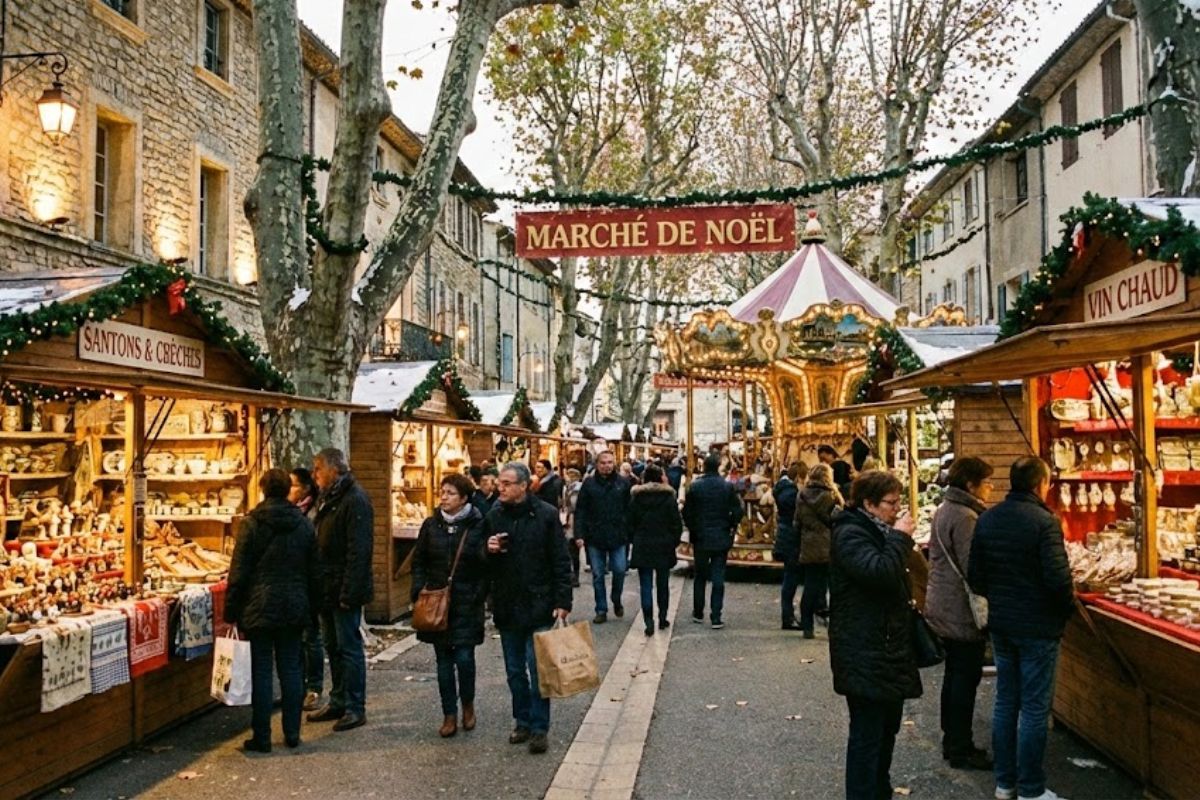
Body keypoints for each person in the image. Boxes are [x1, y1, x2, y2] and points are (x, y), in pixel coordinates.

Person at [968, 457, 1073, 800]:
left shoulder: (988, 519)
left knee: (1005, 701)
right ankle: (1030, 788)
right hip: (1038, 627)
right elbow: (1058, 580)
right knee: (1033, 708)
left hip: (1003, 625)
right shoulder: (1045, 523)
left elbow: (976, 576)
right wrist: (1064, 611)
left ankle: (1005, 782)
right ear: (1039, 484)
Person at [829, 470, 922, 800]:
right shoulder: (851, 533)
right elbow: (879, 573)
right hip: (864, 650)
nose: (896, 510)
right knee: (868, 735)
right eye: (890, 503)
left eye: (899, 502)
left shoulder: (874, 530)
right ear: (868, 503)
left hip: (885, 648)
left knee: (886, 731)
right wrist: (900, 538)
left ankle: (878, 791)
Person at [225, 468, 320, 752]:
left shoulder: (252, 524)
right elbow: (315, 571)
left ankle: (262, 737)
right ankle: (292, 733)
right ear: (286, 490)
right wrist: (313, 609)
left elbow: (238, 572)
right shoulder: (303, 525)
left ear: (264, 489)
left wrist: (231, 610)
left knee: (262, 672)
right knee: (291, 669)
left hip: (259, 606)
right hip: (294, 605)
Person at [484, 462, 573, 755]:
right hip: (508, 604)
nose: (501, 488)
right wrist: (488, 549)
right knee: (514, 671)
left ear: (523, 486)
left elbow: (561, 560)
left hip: (539, 603)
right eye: (500, 483)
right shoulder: (494, 514)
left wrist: (562, 602)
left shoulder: (545, 514)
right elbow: (479, 555)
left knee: (538, 670)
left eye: (507, 483)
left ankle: (538, 728)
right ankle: (521, 720)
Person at [926, 456, 995, 771]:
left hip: (943, 602)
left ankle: (951, 740)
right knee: (964, 678)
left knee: (955, 676)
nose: (991, 487)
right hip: (960, 608)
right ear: (971, 484)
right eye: (986, 481)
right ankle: (960, 745)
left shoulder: (944, 509)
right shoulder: (966, 517)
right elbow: (974, 567)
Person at [411, 473, 487, 739]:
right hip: (436, 602)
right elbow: (419, 560)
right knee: (443, 661)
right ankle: (448, 714)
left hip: (467, 602)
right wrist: (418, 590)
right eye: (442, 492)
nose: (443, 497)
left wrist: (480, 595)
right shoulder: (431, 525)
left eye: (450, 493)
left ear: (464, 498)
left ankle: (467, 705)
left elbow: (484, 564)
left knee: (465, 659)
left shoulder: (478, 525)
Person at [307, 448, 374, 732]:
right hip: (327, 586)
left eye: (318, 469)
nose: (315, 475)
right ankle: (338, 699)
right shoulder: (329, 498)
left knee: (349, 648)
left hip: (344, 588)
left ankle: (355, 706)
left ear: (333, 469)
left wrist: (350, 592)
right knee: (332, 646)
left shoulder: (354, 500)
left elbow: (359, 552)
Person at [682, 454, 743, 629]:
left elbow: (687, 513)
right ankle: (716, 615)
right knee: (718, 577)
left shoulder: (695, 487)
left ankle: (698, 611)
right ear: (718, 467)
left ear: (703, 467)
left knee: (700, 575)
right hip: (721, 535)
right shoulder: (727, 487)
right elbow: (737, 511)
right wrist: (731, 525)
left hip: (701, 537)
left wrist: (694, 528)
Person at [574, 451, 632, 624]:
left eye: (610, 462)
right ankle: (601, 608)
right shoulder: (589, 484)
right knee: (598, 574)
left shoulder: (622, 483)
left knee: (620, 570)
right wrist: (579, 534)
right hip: (595, 536)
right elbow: (581, 511)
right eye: (603, 463)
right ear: (597, 465)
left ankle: (616, 598)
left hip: (618, 535)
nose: (607, 466)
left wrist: (629, 530)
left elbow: (630, 509)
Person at [628, 464, 683, 636]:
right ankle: (663, 617)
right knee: (662, 583)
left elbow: (629, 523)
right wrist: (673, 541)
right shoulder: (668, 498)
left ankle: (648, 621)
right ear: (661, 478)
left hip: (643, 543)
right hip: (663, 544)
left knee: (645, 584)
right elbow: (676, 523)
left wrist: (634, 539)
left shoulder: (636, 498)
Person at [288, 467, 325, 711]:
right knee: (295, 639)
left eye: (293, 485)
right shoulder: (290, 512)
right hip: (291, 582)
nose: (289, 490)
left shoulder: (315, 513)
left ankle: (314, 688)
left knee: (311, 637)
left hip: (310, 582)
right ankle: (297, 688)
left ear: (305, 488)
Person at [795, 463, 842, 638]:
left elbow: (797, 522)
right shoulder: (831, 495)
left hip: (809, 545)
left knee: (810, 586)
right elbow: (838, 518)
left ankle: (807, 626)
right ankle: (834, 627)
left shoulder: (801, 495)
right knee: (834, 586)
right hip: (829, 545)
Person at [771, 462, 804, 630]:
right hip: (791, 538)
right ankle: (788, 616)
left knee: (790, 577)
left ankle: (788, 614)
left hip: (785, 535)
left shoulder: (782, 490)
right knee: (791, 578)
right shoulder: (792, 495)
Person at [561, 467, 584, 588]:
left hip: (574, 520)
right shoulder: (568, 488)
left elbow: (575, 505)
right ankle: (572, 574)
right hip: (568, 519)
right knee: (570, 548)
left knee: (573, 549)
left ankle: (575, 575)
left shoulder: (577, 489)